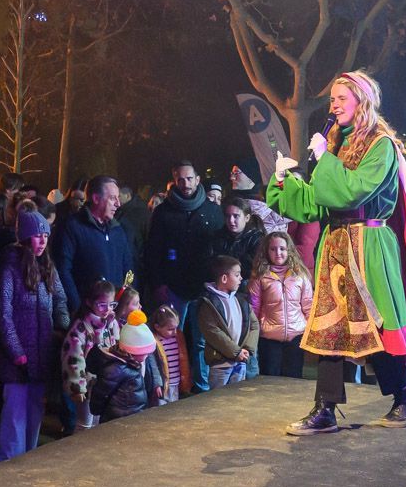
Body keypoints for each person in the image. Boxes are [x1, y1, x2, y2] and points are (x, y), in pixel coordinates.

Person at [265, 72, 406, 436]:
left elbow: (353, 192)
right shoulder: (337, 145)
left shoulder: (381, 146)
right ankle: (325, 408)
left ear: (362, 101)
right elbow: (316, 205)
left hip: (369, 247)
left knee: (376, 328)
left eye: (341, 98)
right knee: (329, 327)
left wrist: (325, 161)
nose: (334, 105)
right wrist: (283, 182)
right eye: (332, 99)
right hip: (336, 245)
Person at [0, 209, 69, 461]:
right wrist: (16, 352)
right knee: (14, 414)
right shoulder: (9, 268)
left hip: (42, 352)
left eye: (45, 235)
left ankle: (28, 459)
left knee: (35, 410)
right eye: (37, 236)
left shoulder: (47, 266)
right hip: (19, 357)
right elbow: (4, 314)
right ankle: (8, 463)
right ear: (24, 238)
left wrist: (62, 328)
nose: (42, 241)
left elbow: (60, 299)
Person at [143, 161, 222, 315]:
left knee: (200, 337)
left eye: (189, 178)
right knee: (173, 334)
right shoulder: (163, 212)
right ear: (175, 181)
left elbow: (220, 247)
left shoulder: (212, 210)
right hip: (173, 287)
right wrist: (158, 284)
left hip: (204, 286)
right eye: (181, 180)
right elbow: (153, 250)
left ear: (197, 180)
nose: (186, 184)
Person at [52, 175, 135, 314]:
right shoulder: (71, 227)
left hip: (114, 312)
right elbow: (63, 269)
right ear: (96, 199)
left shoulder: (118, 230)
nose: (118, 204)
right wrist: (78, 307)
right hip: (85, 314)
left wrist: (126, 303)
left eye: (118, 198)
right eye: (113, 198)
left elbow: (128, 268)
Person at [247, 232, 313, 379]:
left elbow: (308, 306)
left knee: (293, 379)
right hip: (269, 338)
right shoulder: (259, 276)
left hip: (296, 337)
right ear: (266, 251)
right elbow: (254, 309)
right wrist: (254, 334)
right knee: (270, 380)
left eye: (282, 249)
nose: (278, 253)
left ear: (289, 250)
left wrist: (310, 334)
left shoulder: (300, 275)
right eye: (273, 249)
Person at [186, 255, 256, 389]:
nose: (241, 278)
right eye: (237, 275)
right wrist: (236, 352)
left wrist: (247, 348)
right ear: (224, 278)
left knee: (237, 400)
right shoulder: (207, 304)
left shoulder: (241, 300)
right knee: (217, 401)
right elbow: (213, 332)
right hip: (220, 366)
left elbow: (254, 325)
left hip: (241, 361)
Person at [61, 280, 119, 430]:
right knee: (85, 423)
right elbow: (74, 357)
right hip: (87, 384)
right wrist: (77, 386)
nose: (107, 309)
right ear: (89, 302)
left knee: (99, 422)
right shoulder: (80, 328)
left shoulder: (111, 323)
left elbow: (116, 346)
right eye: (102, 305)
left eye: (111, 304)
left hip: (105, 381)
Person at [88, 313, 163, 422]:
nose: (146, 357)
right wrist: (96, 409)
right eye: (144, 353)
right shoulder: (117, 369)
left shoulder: (131, 364)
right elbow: (101, 392)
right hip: (117, 420)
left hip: (131, 417)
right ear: (132, 351)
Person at [150, 305, 186, 403]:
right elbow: (153, 366)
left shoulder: (177, 338)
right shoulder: (155, 342)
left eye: (176, 328)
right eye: (170, 329)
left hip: (176, 384)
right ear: (157, 327)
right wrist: (157, 384)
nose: (175, 332)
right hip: (163, 386)